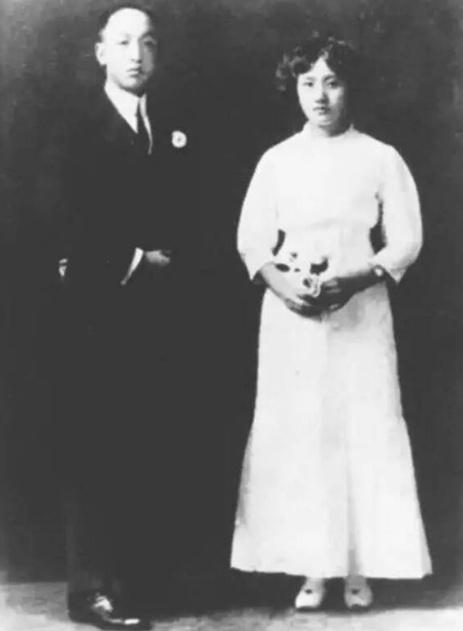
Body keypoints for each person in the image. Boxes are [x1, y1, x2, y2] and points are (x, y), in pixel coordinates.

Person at [230, 35, 432, 611]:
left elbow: (407, 239)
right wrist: (284, 287)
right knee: (301, 432)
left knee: (360, 427)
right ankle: (313, 570)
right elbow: (252, 240)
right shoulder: (277, 160)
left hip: (361, 316)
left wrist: (357, 278)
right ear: (294, 89)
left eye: (332, 82)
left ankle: (359, 570)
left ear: (351, 88)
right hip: (291, 319)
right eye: (308, 83)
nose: (319, 95)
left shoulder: (381, 158)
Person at [36, 2, 194, 628]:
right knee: (93, 446)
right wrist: (135, 259)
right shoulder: (74, 127)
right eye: (124, 42)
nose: (137, 55)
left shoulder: (170, 126)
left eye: (148, 43)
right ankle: (90, 590)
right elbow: (57, 219)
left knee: (144, 441)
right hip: (93, 311)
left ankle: (135, 581)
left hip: (157, 317)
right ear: (100, 51)